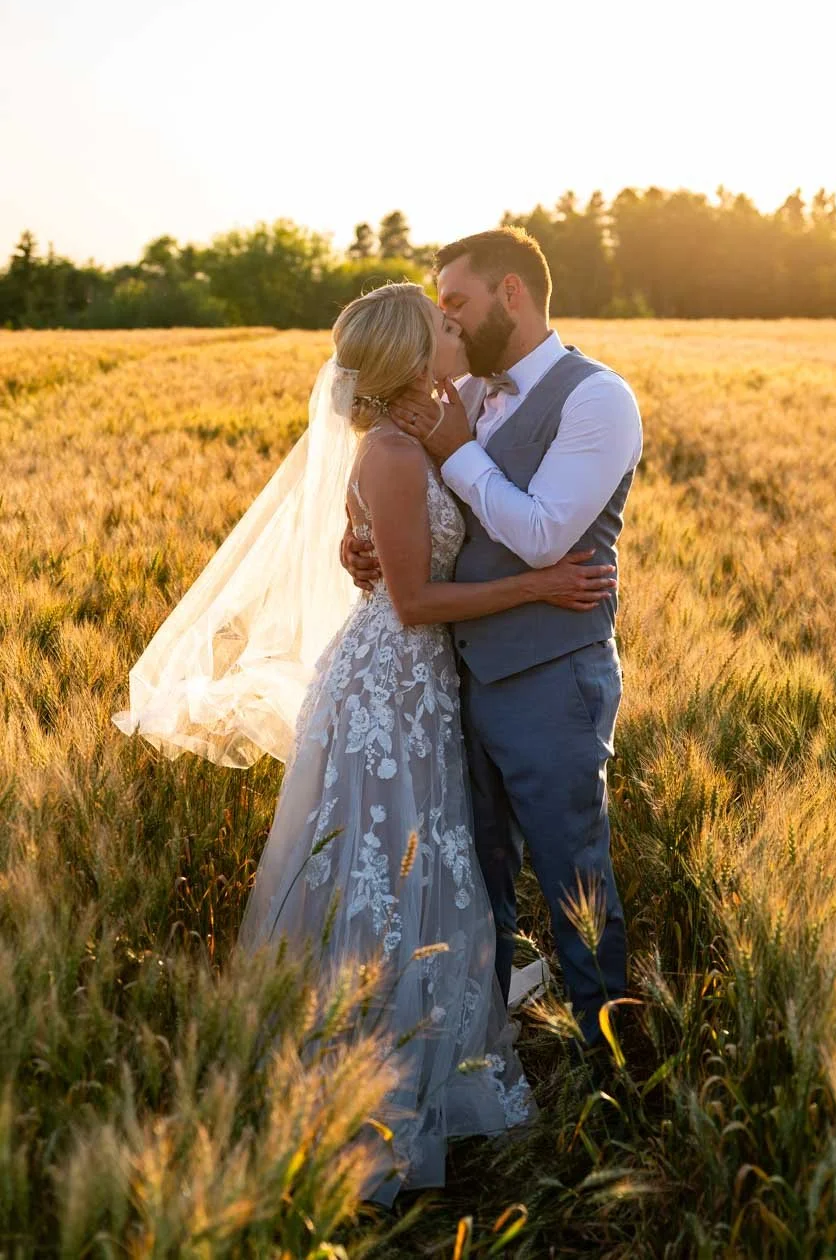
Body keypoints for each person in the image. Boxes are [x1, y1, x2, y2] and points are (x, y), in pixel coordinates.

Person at [114, 280, 615, 1202]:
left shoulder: (431, 423)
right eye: (437, 324)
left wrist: (374, 549)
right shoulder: (387, 449)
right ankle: (364, 1072)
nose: (452, 326)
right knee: (375, 867)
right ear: (405, 354)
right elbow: (414, 600)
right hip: (387, 685)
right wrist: (535, 589)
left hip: (420, 684)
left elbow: (420, 550)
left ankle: (417, 1059)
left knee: (425, 865)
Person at [342, 229, 643, 1046]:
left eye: (457, 303)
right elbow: (405, 493)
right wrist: (361, 535)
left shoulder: (597, 398)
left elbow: (544, 534)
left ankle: (609, 1055)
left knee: (573, 870)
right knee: (477, 880)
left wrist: (461, 452)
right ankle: (479, 1049)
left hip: (551, 679)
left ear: (511, 293)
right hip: (448, 679)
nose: (449, 320)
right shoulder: (462, 394)